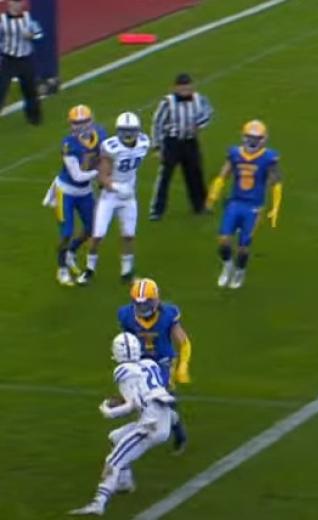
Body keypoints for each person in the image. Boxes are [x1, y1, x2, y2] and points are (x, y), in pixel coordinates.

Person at [68, 332, 176, 516]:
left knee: (113, 461)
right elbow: (149, 393)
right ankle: (125, 482)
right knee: (115, 437)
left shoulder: (122, 371)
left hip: (150, 427)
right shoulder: (150, 364)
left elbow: (133, 405)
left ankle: (98, 504)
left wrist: (109, 412)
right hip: (162, 419)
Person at [205, 120, 283, 289]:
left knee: (243, 246)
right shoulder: (235, 154)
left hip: (254, 206)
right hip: (235, 202)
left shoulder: (268, 158)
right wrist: (212, 196)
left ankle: (240, 271)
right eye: (250, 137)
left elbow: (276, 183)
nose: (252, 142)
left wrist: (275, 207)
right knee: (223, 240)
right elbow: (222, 176)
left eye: (256, 138)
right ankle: (227, 266)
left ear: (263, 139)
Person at [118, 278, 191, 453]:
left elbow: (184, 342)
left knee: (160, 398)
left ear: (156, 300)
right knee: (145, 401)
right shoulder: (126, 315)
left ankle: (178, 433)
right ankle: (172, 429)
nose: (143, 308)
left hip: (163, 361)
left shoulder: (168, 315)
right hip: (140, 362)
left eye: (146, 303)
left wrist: (183, 366)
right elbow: (127, 340)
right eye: (139, 304)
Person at [77, 112, 150, 285]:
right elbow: (102, 176)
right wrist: (117, 187)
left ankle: (127, 272)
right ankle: (89, 269)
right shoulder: (111, 147)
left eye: (131, 130)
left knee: (129, 235)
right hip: (110, 196)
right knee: (98, 235)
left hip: (128, 196)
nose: (127, 134)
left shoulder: (144, 143)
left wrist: (126, 189)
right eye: (124, 130)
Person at [44, 105, 106, 286]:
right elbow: (77, 176)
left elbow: (106, 156)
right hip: (66, 191)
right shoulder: (68, 144)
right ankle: (62, 268)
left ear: (92, 121)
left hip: (85, 191)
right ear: (70, 124)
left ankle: (71, 252)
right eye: (77, 123)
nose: (81, 126)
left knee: (92, 228)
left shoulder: (101, 134)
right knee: (66, 232)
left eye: (84, 122)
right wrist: (100, 172)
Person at [149, 73, 212, 220]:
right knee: (165, 176)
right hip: (172, 142)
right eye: (182, 87)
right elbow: (158, 123)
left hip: (190, 142)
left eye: (187, 87)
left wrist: (199, 124)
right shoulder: (167, 102)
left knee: (195, 174)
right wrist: (157, 146)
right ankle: (157, 210)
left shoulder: (199, 99)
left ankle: (200, 206)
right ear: (176, 88)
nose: (185, 90)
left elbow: (208, 112)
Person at [0, 0, 43, 124]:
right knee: (1, 88)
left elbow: (39, 34)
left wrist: (31, 36)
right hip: (9, 59)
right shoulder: (2, 20)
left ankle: (34, 118)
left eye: (19, 2)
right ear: (9, 3)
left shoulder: (28, 17)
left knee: (30, 90)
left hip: (25, 59)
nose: (17, 5)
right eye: (15, 2)